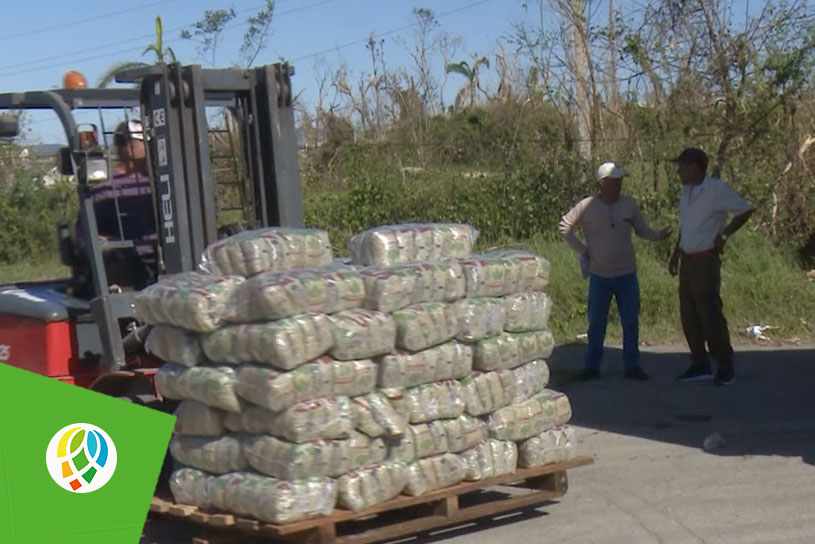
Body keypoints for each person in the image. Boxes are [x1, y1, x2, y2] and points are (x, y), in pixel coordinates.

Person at [559, 161, 671, 381]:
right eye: (613, 181)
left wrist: (657, 236)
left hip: (626, 274)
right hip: (600, 276)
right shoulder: (587, 206)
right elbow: (565, 226)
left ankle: (632, 366)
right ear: (602, 183)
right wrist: (583, 250)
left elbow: (641, 229)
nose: (618, 184)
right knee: (596, 323)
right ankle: (592, 367)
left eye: (620, 180)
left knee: (630, 322)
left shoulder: (629, 204)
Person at [668, 147, 753, 386]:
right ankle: (700, 363)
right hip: (688, 259)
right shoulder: (686, 191)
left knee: (710, 313)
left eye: (682, 166)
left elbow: (745, 210)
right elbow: (687, 226)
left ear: (695, 167)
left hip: (706, 260)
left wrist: (724, 235)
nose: (678, 171)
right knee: (689, 314)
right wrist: (676, 253)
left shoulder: (716, 190)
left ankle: (725, 365)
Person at [74, 119, 157, 296]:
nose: (152, 148)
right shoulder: (105, 188)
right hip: (129, 266)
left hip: (161, 259)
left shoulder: (159, 181)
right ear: (129, 148)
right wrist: (105, 244)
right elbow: (85, 235)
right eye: (146, 143)